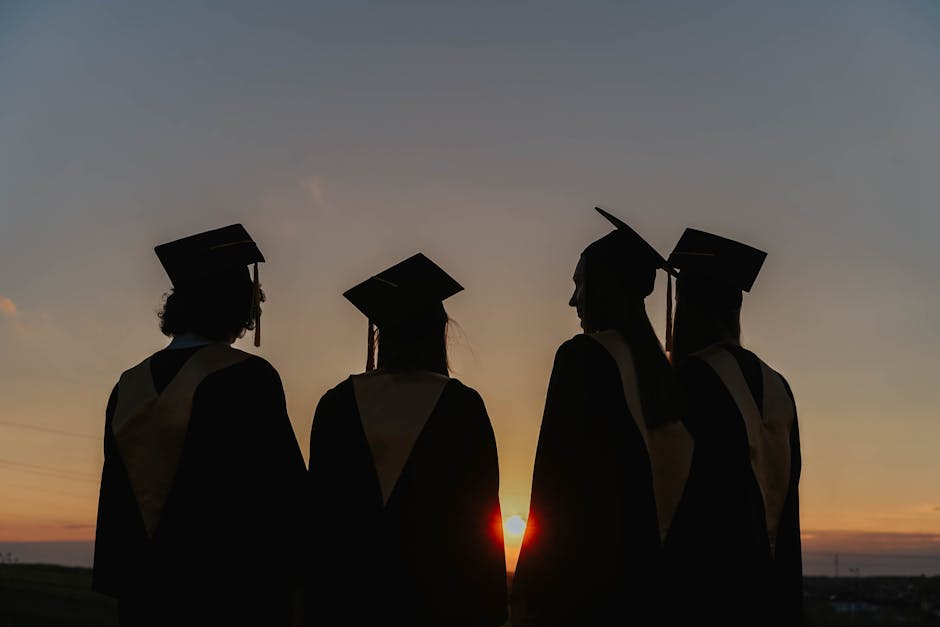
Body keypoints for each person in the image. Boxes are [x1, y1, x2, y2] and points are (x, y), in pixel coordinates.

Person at [92, 224, 307, 626]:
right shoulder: (249, 378)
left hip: (146, 593)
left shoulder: (128, 384)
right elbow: (281, 493)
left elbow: (117, 497)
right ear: (239, 305)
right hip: (228, 593)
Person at [511, 208, 694, 626]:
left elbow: (554, 491)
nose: (574, 299)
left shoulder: (583, 358)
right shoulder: (671, 381)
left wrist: (527, 594)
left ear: (604, 286)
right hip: (663, 595)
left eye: (579, 282)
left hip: (592, 595)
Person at [305, 253, 508, 627]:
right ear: (438, 332)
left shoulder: (336, 404)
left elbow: (317, 521)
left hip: (347, 602)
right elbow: (481, 523)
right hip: (439, 604)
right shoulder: (462, 407)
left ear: (381, 333)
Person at [667, 228, 803, 626]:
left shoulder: (691, 380)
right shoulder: (778, 385)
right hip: (770, 596)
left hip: (703, 595)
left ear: (688, 305)